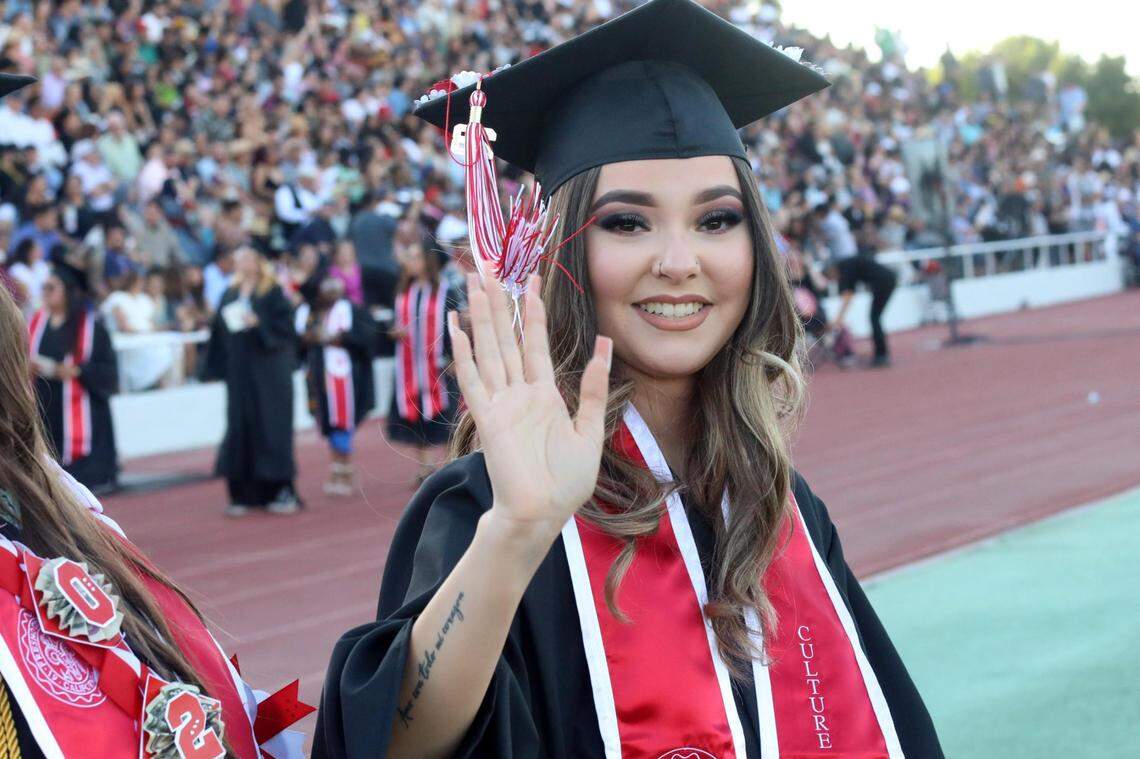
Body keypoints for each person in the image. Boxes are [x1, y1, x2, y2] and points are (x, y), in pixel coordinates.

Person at [314, 1, 942, 757]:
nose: (680, 261)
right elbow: (394, 743)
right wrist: (516, 532)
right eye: (626, 222)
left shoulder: (778, 503)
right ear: (560, 252)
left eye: (716, 220)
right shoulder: (492, 499)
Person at [202, 246, 300, 516]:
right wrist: (213, 368)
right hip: (240, 372)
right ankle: (243, 493)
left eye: (247, 258)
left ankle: (279, 489)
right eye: (238, 259)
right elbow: (217, 332)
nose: (242, 263)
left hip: (269, 372)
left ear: (258, 262)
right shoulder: (230, 293)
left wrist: (259, 323)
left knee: (271, 425)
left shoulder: (272, 292)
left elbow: (287, 330)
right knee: (240, 427)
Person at [28, 263, 120, 494]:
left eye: (51, 288)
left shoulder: (91, 327)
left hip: (84, 412)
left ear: (68, 291)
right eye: (44, 288)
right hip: (47, 405)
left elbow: (108, 371)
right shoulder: (37, 323)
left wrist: (77, 371)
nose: (46, 293)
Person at [385, 234, 462, 485]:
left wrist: (454, 357)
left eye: (416, 257)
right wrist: (394, 331)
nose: (410, 262)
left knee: (448, 416)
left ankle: (453, 466)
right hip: (410, 365)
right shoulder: (403, 292)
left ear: (429, 260)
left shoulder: (445, 291)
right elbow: (393, 323)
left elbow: (455, 325)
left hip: (440, 365)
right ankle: (425, 466)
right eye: (409, 257)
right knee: (417, 415)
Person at [296, 278, 376, 497]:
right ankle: (338, 467)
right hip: (318, 376)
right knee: (328, 421)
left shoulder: (350, 309)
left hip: (346, 375)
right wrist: (310, 338)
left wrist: (341, 338)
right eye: (327, 288)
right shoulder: (308, 312)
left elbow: (365, 337)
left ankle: (343, 469)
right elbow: (298, 341)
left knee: (342, 421)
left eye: (336, 288)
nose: (333, 292)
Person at [822, 253, 898, 368]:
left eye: (832, 277)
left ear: (832, 270)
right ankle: (881, 352)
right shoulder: (847, 265)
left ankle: (881, 355)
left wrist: (838, 320)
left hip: (884, 281)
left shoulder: (845, 268)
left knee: (874, 318)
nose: (835, 280)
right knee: (875, 317)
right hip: (886, 280)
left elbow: (848, 296)